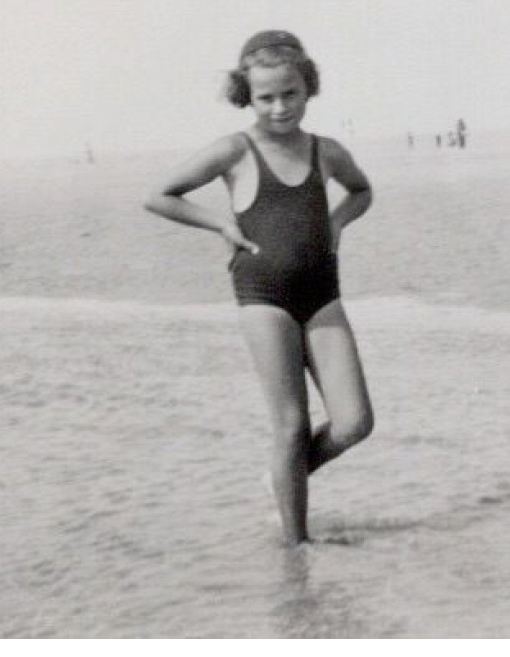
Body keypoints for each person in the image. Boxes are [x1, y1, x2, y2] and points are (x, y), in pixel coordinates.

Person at [145, 30, 375, 545]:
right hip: (263, 298)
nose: (279, 107)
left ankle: (282, 479)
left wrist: (337, 222)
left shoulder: (327, 151)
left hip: (323, 296)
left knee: (355, 421)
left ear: (308, 86)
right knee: (291, 427)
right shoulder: (236, 150)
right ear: (245, 95)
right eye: (265, 97)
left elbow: (362, 191)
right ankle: (298, 550)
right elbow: (160, 195)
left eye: (289, 93)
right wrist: (220, 226)